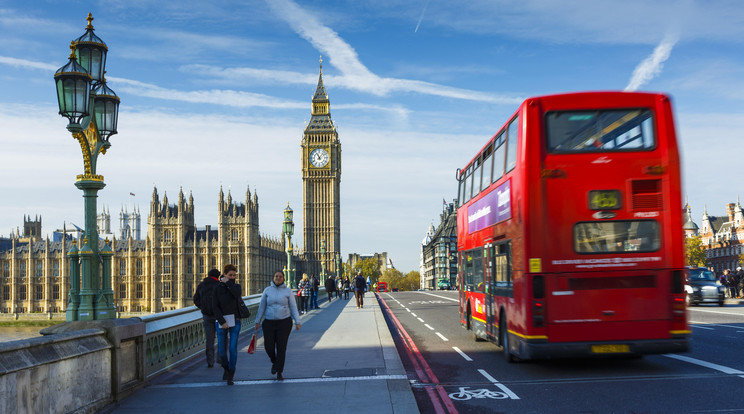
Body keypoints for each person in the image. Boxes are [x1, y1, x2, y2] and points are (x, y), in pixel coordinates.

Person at [255, 271, 301, 381]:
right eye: (276, 276)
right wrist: (257, 321)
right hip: (269, 322)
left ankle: (279, 371)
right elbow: (262, 307)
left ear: (284, 279)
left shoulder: (288, 291)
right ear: (273, 278)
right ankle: (275, 362)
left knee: (281, 347)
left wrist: (297, 321)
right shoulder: (267, 290)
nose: (278, 278)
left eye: (280, 277)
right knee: (268, 346)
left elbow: (293, 307)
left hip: (284, 322)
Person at [213, 264, 242, 385]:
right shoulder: (217, 288)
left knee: (233, 348)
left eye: (234, 275)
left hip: (235, 320)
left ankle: (231, 373)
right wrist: (222, 321)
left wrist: (229, 283)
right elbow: (214, 306)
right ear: (224, 275)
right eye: (230, 275)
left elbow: (237, 295)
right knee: (221, 351)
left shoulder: (236, 286)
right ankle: (226, 368)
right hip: (221, 321)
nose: (232, 277)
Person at [193, 268, 221, 368]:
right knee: (222, 338)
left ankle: (210, 361)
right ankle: (220, 359)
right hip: (219, 316)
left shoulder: (201, 285)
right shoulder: (219, 285)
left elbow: (195, 299)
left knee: (209, 340)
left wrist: (203, 307)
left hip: (206, 316)